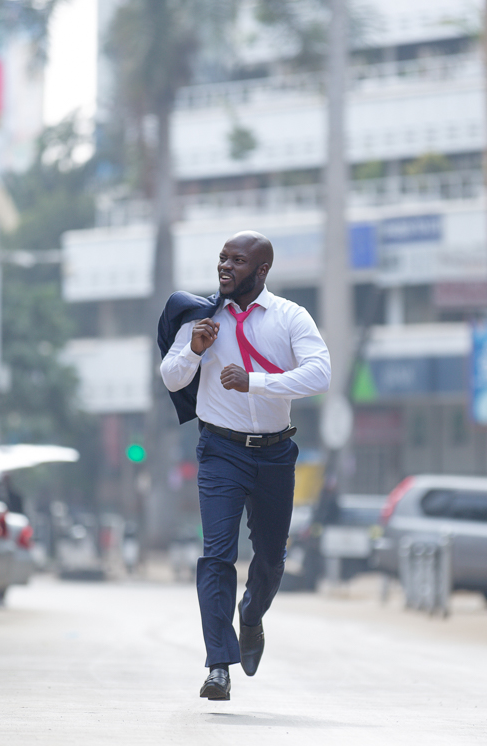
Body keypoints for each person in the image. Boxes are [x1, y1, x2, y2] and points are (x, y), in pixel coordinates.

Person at [160, 231, 331, 701]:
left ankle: (251, 616)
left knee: (272, 560)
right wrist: (194, 349)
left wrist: (255, 382)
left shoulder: (290, 317)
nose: (225, 268)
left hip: (276, 453)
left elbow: (320, 373)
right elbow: (171, 376)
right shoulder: (201, 317)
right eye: (222, 259)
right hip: (220, 452)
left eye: (237, 261)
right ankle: (218, 664)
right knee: (217, 554)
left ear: (261, 271)